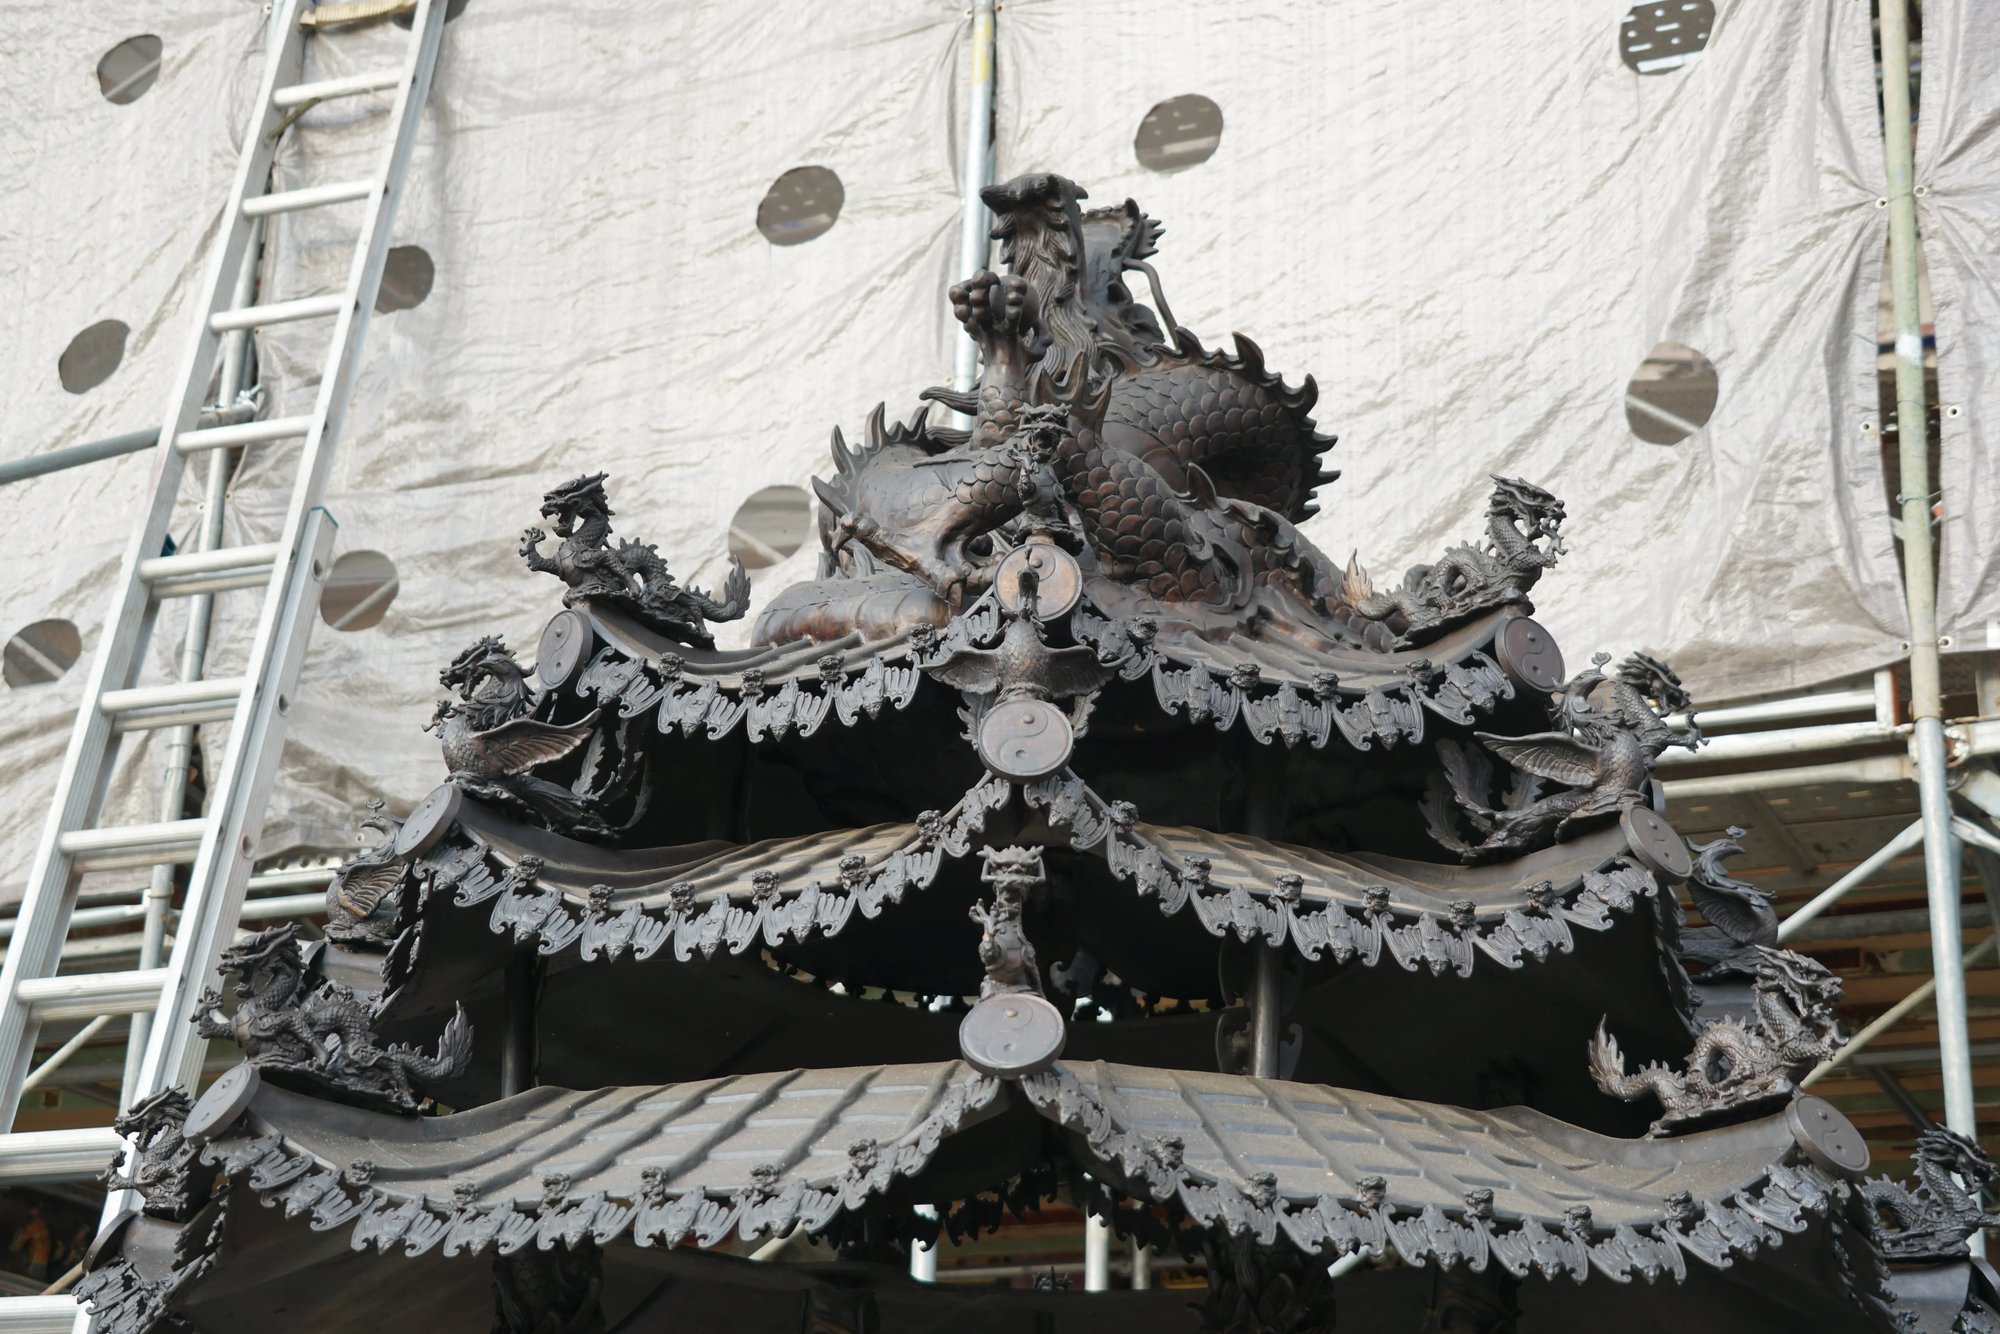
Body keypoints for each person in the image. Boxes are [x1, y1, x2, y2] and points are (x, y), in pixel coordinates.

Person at [9, 1205, 52, 1282]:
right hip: (40, 1260)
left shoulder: (34, 1226)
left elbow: (16, 1246)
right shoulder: (42, 1226)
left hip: (37, 1261)